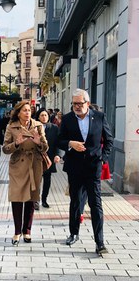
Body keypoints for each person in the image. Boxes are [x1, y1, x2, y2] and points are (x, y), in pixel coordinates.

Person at [58, 89, 113, 255]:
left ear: (87, 103)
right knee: (75, 202)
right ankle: (73, 233)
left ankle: (100, 242)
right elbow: (59, 141)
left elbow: (109, 140)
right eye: (74, 104)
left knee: (95, 204)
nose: (77, 106)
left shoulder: (99, 117)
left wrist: (103, 158)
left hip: (93, 167)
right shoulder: (67, 119)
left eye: (80, 103)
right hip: (74, 167)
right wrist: (70, 144)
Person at [2, 101, 49, 245]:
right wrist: (16, 143)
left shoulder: (38, 125)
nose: (28, 112)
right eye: (24, 110)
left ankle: (27, 231)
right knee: (17, 197)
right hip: (18, 165)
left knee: (31, 197)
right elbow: (5, 149)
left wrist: (38, 142)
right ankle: (17, 232)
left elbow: (46, 147)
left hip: (34, 164)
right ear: (18, 113)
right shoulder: (11, 126)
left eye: (29, 110)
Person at [35, 108, 62, 208]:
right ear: (38, 117)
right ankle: (36, 201)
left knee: (47, 181)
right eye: (42, 115)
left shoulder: (54, 128)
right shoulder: (34, 127)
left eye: (46, 115)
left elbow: (59, 143)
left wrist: (58, 155)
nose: (44, 117)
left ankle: (44, 199)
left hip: (49, 159)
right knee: (37, 181)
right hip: (36, 158)